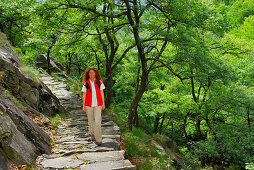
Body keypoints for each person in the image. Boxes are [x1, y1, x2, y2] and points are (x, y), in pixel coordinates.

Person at [82, 67, 105, 145]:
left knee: (98, 122)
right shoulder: (86, 83)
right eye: (90, 73)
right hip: (88, 105)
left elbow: (102, 93)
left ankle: (98, 139)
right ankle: (92, 134)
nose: (92, 74)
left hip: (98, 104)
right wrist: (83, 105)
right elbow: (84, 95)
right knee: (90, 121)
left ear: (96, 74)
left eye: (93, 73)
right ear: (88, 74)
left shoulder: (100, 82)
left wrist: (103, 103)